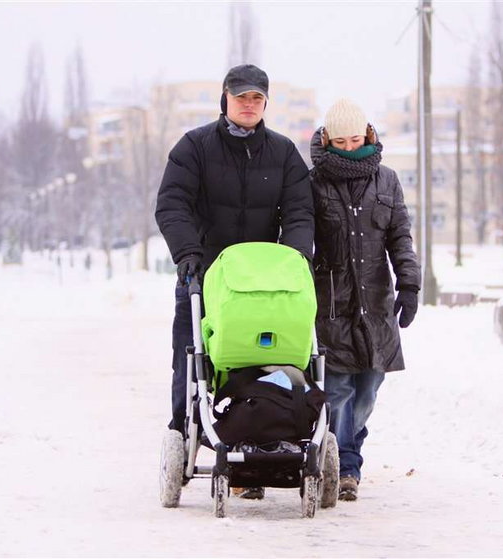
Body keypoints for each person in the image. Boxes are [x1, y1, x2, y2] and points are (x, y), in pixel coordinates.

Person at [155, 64, 314, 500]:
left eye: (257, 98)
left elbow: (299, 210)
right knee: (195, 360)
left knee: (262, 357)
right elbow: (172, 204)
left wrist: (296, 257)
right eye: (241, 96)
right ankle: (185, 431)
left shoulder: (282, 154)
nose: (248, 104)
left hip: (264, 282)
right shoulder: (195, 148)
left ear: (266, 103)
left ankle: (259, 439)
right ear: (224, 98)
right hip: (204, 277)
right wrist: (187, 251)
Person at [309, 99, 420, 501]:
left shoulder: (387, 181)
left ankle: (343, 451)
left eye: (356, 139)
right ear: (327, 139)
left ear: (369, 134)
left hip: (376, 304)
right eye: (341, 141)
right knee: (337, 389)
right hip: (332, 304)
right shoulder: (314, 182)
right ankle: (345, 466)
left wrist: (410, 284)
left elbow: (399, 238)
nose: (350, 147)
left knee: (369, 387)